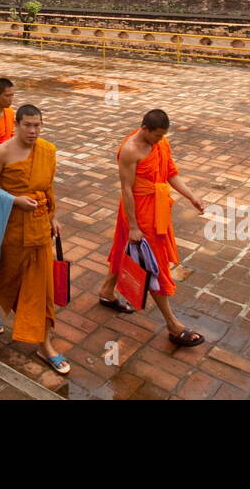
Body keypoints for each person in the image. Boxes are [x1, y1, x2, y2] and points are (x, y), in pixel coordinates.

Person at [98, 108, 207, 348]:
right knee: (153, 264)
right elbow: (126, 189)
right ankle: (173, 325)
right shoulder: (129, 150)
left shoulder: (160, 144)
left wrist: (192, 197)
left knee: (126, 253)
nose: (160, 141)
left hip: (157, 209)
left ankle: (107, 291)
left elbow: (170, 173)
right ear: (144, 129)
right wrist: (134, 226)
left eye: (162, 136)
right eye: (156, 136)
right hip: (137, 213)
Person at [0, 104, 69, 375]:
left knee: (40, 286)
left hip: (40, 227)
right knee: (6, 273)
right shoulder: (3, 152)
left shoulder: (47, 151)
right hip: (11, 227)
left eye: (37, 125)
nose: (33, 131)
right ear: (16, 124)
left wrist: (53, 216)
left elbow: (48, 185)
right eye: (27, 125)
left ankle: (45, 344)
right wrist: (14, 199)